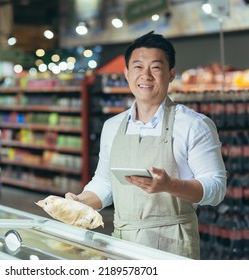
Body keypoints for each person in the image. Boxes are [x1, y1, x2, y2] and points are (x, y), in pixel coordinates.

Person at [65, 30, 227, 259]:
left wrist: (171, 185)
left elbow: (216, 188)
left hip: (173, 245)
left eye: (156, 67)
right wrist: (81, 201)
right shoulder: (113, 126)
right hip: (123, 242)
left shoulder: (194, 125)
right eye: (138, 67)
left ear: (171, 74)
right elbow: (105, 182)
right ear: (126, 73)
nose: (146, 76)